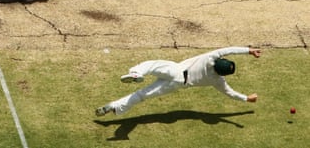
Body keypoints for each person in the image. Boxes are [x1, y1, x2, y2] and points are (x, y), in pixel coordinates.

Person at [95, 47, 261, 117]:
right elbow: (230, 93)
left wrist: (249, 50)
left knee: (151, 65)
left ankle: (136, 73)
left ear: (220, 60)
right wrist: (247, 98)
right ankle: (115, 107)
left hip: (176, 70)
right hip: (177, 85)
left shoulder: (211, 57)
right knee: (142, 95)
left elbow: (230, 49)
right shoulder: (217, 80)